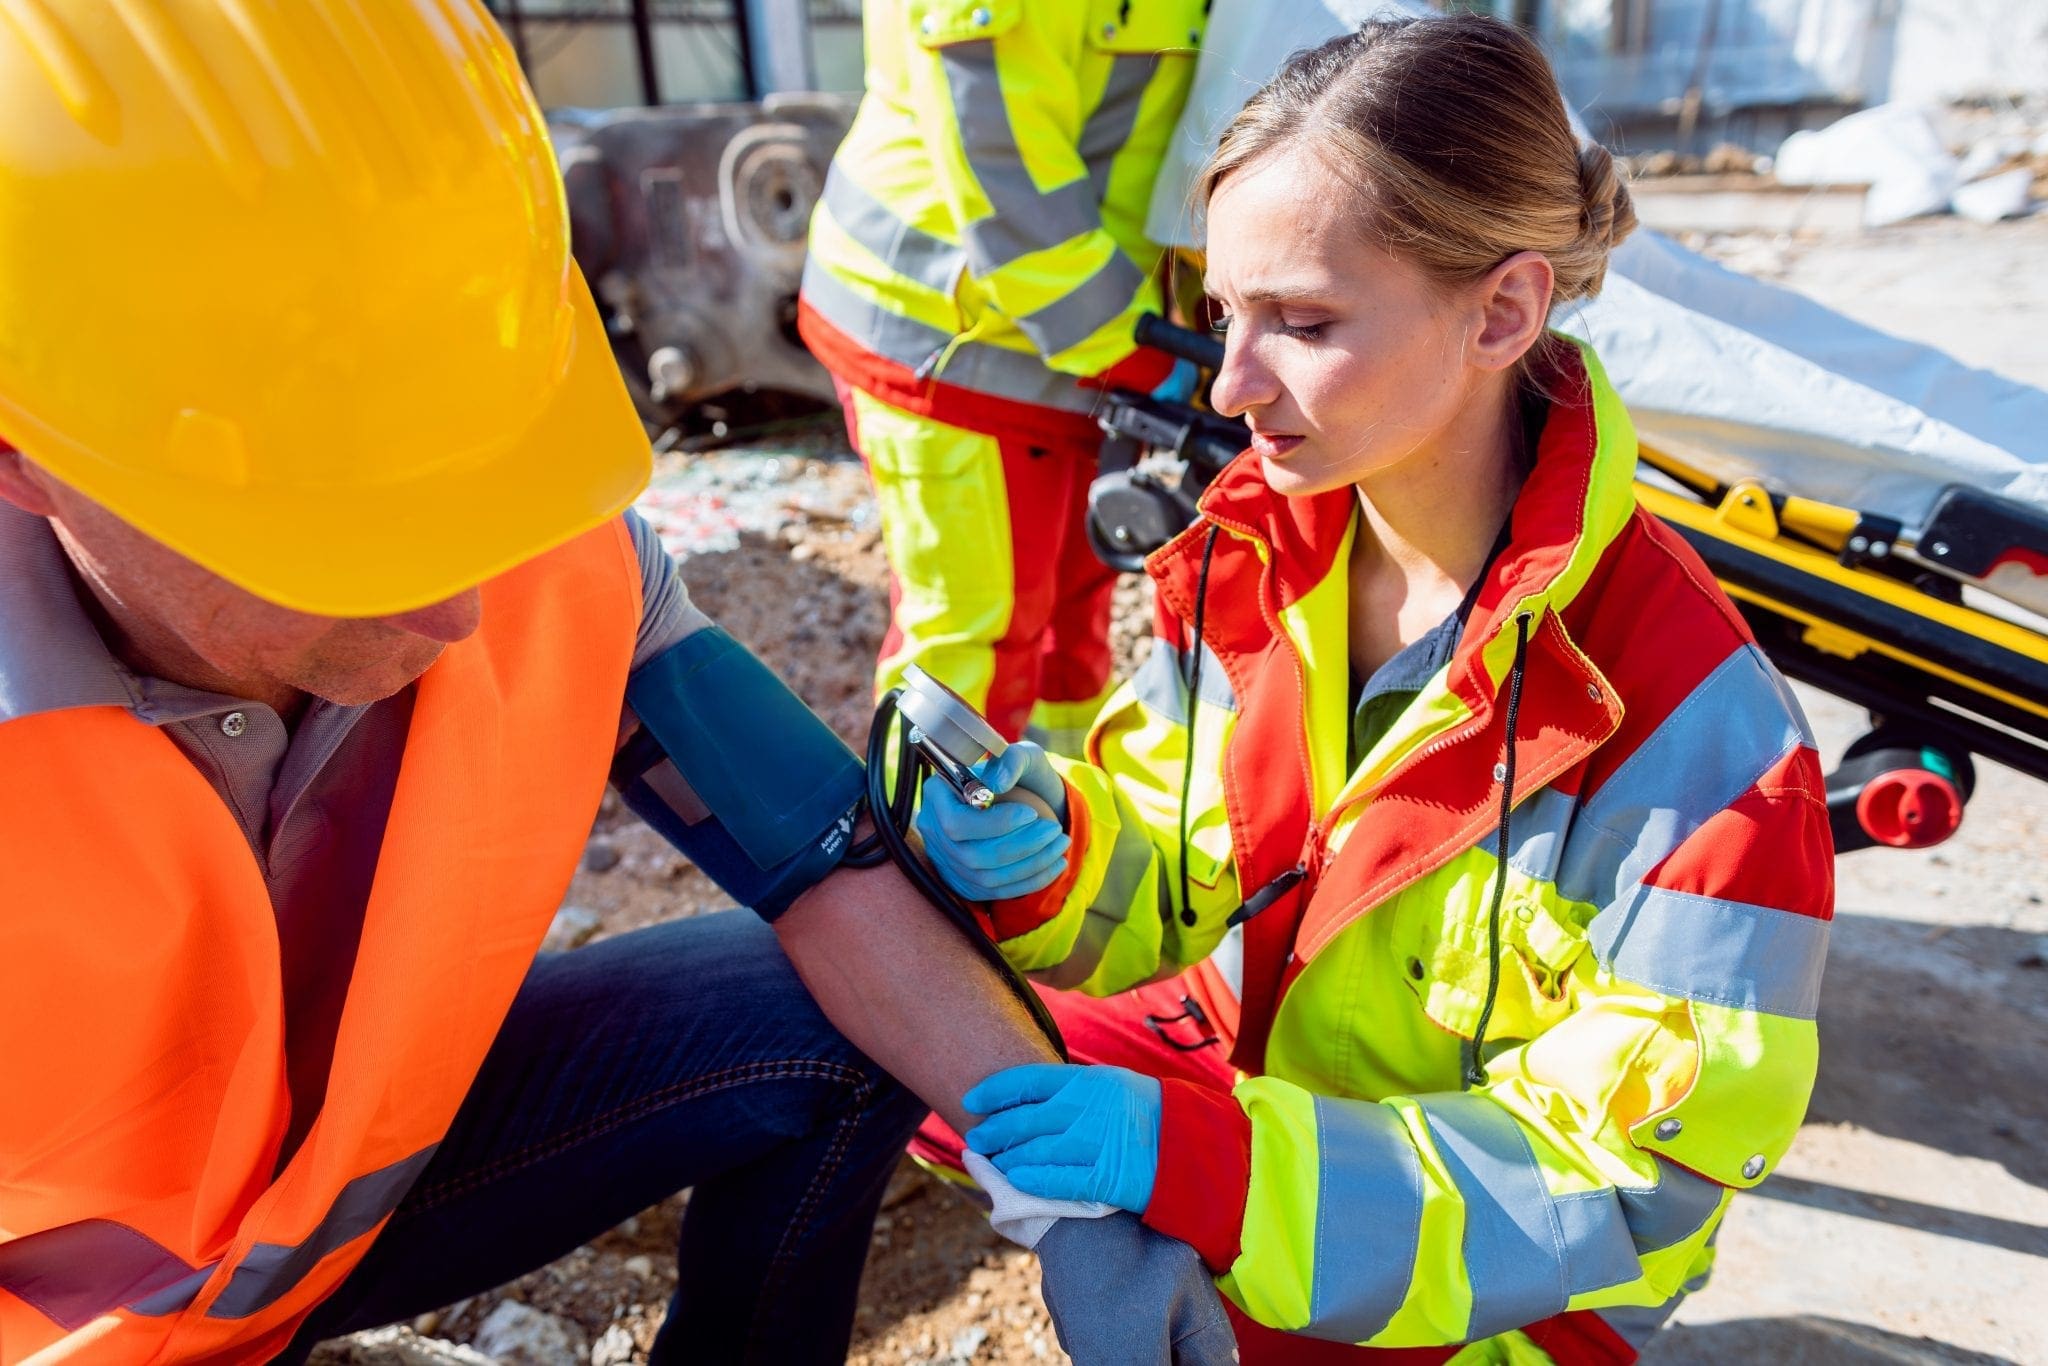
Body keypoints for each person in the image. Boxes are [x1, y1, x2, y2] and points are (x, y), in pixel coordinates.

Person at [0, 6, 1230, 1363]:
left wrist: (1075, 1203)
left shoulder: (548, 562)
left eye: (469, 475)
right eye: (342, 526)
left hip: (338, 1219)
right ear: (28, 452)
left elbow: (831, 869)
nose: (459, 603)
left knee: (818, 1021)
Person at [913, 15, 1835, 1364]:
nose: (1230, 383)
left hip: (1517, 1287)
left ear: (1504, 310)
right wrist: (1056, 855)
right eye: (1225, 313)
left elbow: (1626, 1176)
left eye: (1303, 322)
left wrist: (1221, 1174)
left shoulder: (1702, 732)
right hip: (1287, 1103)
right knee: (904, 1057)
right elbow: (1194, 877)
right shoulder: (1253, 558)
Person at [798, 0, 1205, 758]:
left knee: (1066, 621)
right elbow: (1004, 164)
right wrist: (1146, 351)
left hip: (1085, 331)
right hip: (957, 333)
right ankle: (926, 864)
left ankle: (1057, 835)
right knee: (975, 642)